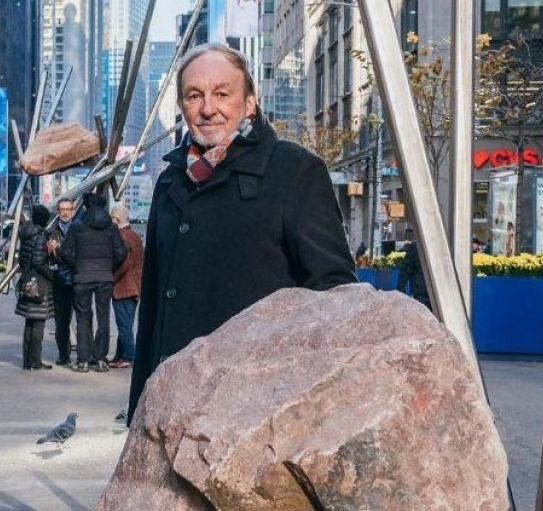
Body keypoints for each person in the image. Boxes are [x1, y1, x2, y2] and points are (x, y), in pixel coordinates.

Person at [126, 43, 356, 424]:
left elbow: (333, 293)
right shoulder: (171, 181)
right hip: (172, 404)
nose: (207, 109)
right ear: (182, 107)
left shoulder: (294, 172)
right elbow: (153, 309)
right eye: (194, 95)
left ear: (249, 102)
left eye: (222, 93)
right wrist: (139, 411)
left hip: (253, 413)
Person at [58, 193, 127, 374]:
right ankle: (101, 359)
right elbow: (121, 252)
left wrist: (78, 265)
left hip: (82, 277)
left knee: (83, 317)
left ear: (87, 207)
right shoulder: (111, 227)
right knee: (104, 318)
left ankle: (83, 360)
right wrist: (108, 267)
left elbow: (64, 252)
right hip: (104, 277)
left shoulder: (77, 226)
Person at [16, 205, 55, 370]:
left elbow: (22, 259)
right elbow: (39, 261)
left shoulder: (26, 234)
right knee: (39, 323)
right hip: (39, 283)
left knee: (29, 323)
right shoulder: (39, 236)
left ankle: (27, 361)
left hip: (27, 280)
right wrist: (51, 275)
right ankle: (35, 360)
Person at [108, 204, 143, 369]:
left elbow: (124, 263)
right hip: (133, 286)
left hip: (123, 287)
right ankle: (120, 355)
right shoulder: (134, 235)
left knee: (124, 325)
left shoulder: (122, 237)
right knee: (125, 323)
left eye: (111, 218)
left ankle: (129, 355)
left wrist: (111, 278)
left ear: (117, 219)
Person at [45, 197, 77, 366]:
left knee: (83, 319)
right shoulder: (52, 231)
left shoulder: (79, 229)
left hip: (77, 280)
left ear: (73, 211)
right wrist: (50, 251)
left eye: (68, 209)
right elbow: (49, 259)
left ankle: (84, 354)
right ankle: (63, 353)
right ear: (58, 212)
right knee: (61, 321)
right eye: (62, 209)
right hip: (60, 282)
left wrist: (59, 251)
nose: (65, 212)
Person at [396, 240, 431, 310]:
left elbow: (405, 270)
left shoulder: (414, 246)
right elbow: (405, 270)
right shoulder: (415, 246)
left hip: (421, 291)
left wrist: (400, 290)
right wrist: (400, 290)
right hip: (423, 293)